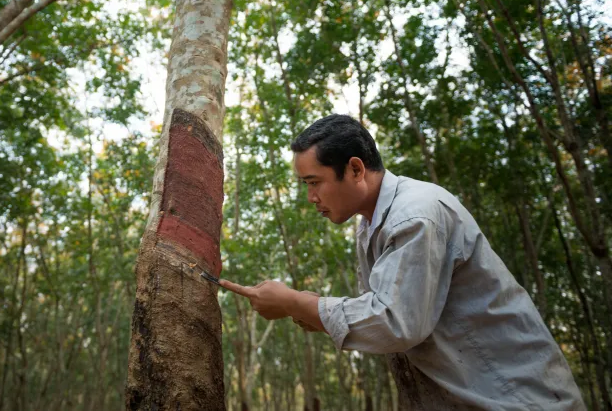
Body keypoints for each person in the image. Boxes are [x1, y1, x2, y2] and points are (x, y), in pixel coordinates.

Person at [220, 114, 584, 410]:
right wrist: (315, 312)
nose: (312, 197)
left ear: (356, 169)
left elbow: (397, 322)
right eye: (305, 185)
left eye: (315, 182)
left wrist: (296, 302)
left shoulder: (414, 216)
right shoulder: (371, 225)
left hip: (516, 399)